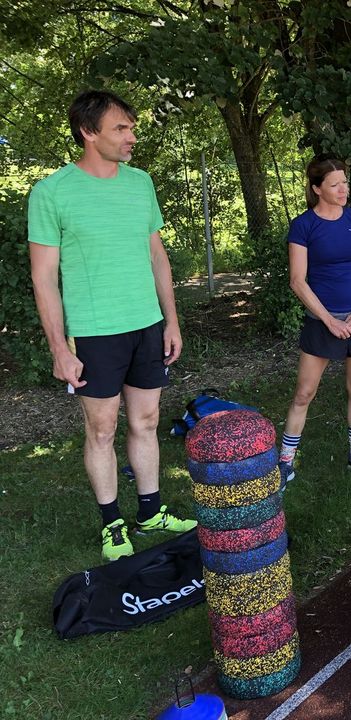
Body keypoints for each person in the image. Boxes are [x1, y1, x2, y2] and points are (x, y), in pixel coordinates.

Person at [28, 89, 194, 562]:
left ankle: (151, 510)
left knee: (146, 420)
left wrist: (171, 320)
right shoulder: (52, 192)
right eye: (121, 128)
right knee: (101, 431)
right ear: (88, 132)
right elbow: (44, 279)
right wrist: (60, 348)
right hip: (96, 332)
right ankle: (111, 523)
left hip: (147, 325)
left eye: (131, 127)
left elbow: (157, 257)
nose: (131, 136)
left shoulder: (140, 183)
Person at [278, 156, 351, 479]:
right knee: (304, 393)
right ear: (317, 188)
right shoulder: (303, 225)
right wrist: (329, 320)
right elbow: (298, 280)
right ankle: (285, 462)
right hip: (322, 322)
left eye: (345, 182)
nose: (343, 189)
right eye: (335, 184)